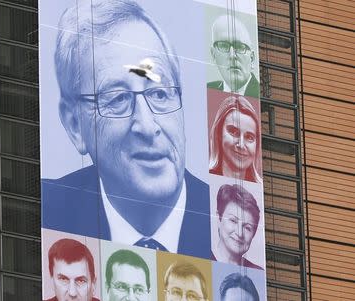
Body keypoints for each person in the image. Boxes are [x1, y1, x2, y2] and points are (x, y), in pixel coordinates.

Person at [42, 0, 210, 259]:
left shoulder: (229, 220)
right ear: (75, 125)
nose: (147, 125)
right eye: (118, 99)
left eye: (159, 94)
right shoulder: (45, 210)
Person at [209, 95, 262, 183]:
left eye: (249, 137)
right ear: (218, 133)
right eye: (233, 132)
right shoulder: (203, 182)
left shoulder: (258, 191)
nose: (241, 145)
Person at [211, 184, 262, 270]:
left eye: (247, 228)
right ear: (218, 219)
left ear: (254, 234)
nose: (239, 233)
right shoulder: (199, 256)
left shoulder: (257, 272)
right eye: (233, 221)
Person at [208, 15, 259, 98]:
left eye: (239, 47)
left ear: (252, 58)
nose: (232, 55)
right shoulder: (207, 92)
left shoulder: (259, 95)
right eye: (224, 46)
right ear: (213, 55)